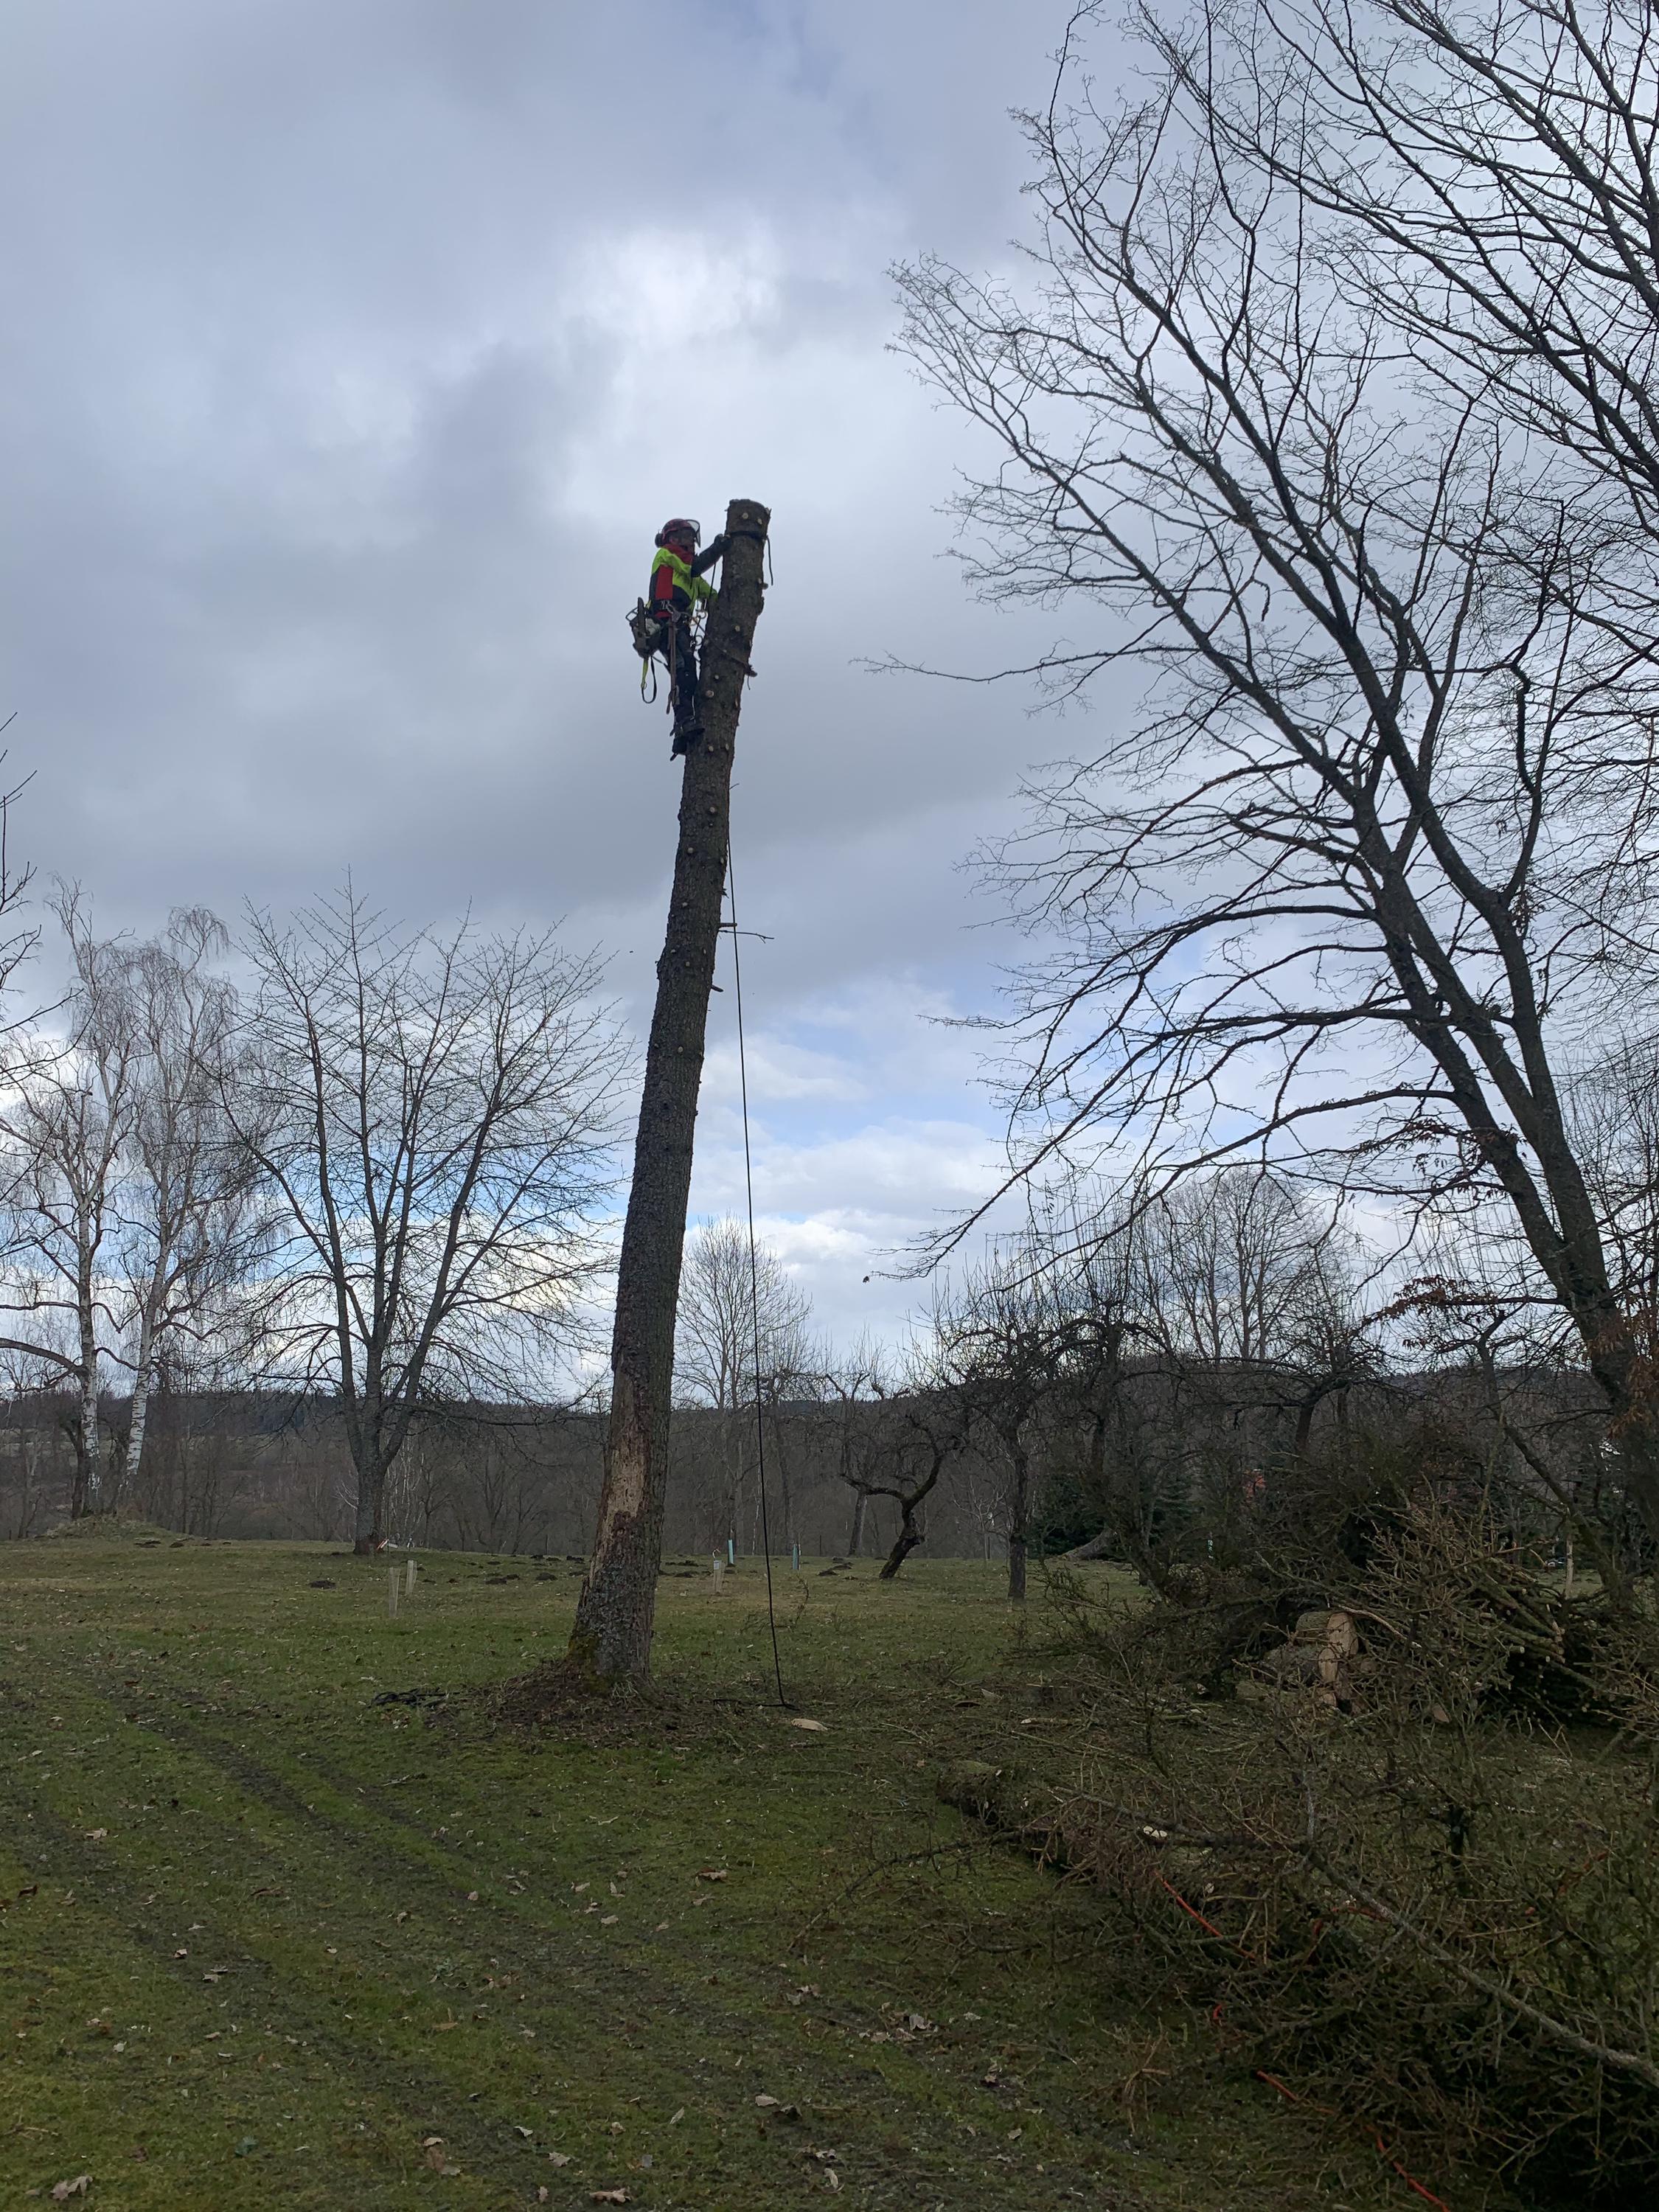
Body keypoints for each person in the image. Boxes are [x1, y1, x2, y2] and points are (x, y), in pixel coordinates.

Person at [647, 517, 727, 754]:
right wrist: (719, 547)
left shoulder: (688, 573)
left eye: (692, 539)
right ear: (673, 539)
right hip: (666, 624)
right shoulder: (667, 555)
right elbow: (695, 567)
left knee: (686, 672)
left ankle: (681, 734)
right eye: (687, 537)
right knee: (684, 670)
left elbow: (710, 594)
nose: (691, 542)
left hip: (677, 627)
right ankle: (684, 723)